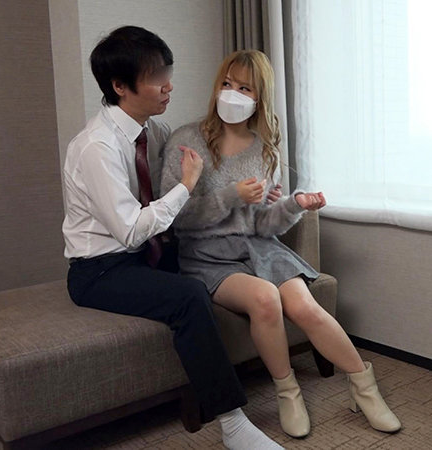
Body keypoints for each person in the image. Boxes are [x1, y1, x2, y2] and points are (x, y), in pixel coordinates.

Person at [160, 50, 402, 439]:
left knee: (305, 305)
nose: (232, 94)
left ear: (259, 98)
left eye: (244, 88)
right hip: (208, 256)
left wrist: (294, 205)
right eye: (227, 83)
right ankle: (289, 392)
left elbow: (264, 225)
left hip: (259, 249)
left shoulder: (263, 149)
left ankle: (364, 389)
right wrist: (232, 196)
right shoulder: (186, 141)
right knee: (265, 299)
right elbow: (175, 218)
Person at [61, 26, 283, 450]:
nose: (169, 86)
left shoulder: (156, 133)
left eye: (168, 72)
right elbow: (131, 229)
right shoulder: (97, 147)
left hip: (150, 253)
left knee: (218, 259)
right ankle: (233, 424)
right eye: (157, 77)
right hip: (101, 269)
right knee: (188, 296)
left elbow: (194, 194)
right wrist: (186, 185)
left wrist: (257, 192)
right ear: (120, 86)